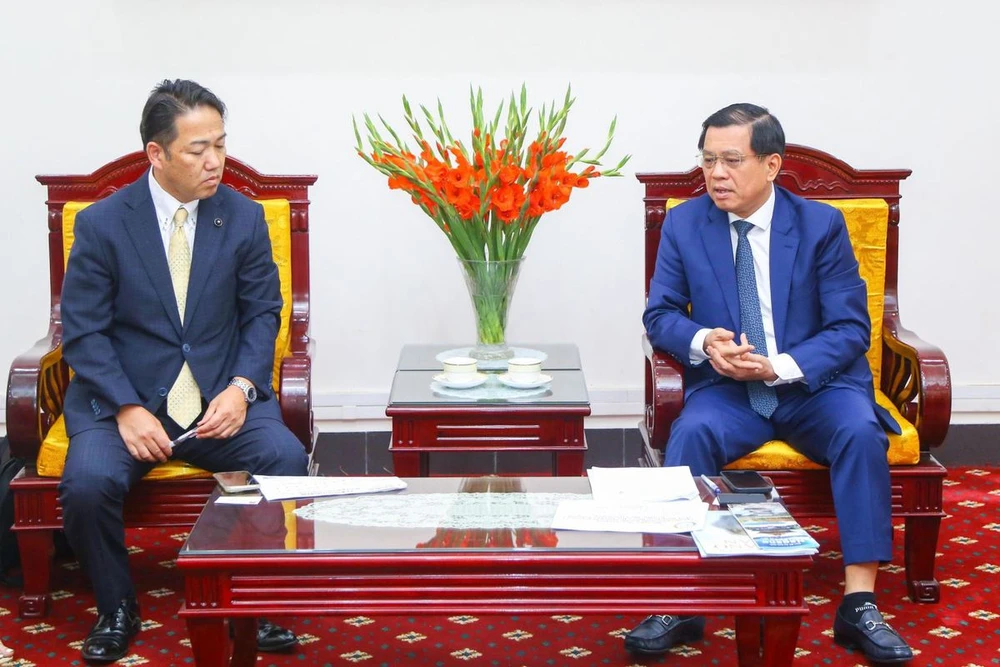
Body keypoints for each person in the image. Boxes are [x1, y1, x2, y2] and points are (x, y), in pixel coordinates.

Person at [628, 103, 912, 664]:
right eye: (708, 160)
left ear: (773, 165)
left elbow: (852, 328)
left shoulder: (819, 225)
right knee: (691, 435)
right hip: (731, 390)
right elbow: (659, 313)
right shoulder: (686, 222)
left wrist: (779, 365)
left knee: (859, 433)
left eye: (731, 160)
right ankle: (682, 596)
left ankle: (859, 604)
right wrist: (706, 340)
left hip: (815, 389)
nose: (716, 174)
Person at [58, 79, 309, 663]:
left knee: (285, 458)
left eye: (221, 144)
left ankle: (256, 601)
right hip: (123, 402)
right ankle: (117, 607)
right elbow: (85, 332)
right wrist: (125, 406)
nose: (215, 161)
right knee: (87, 485)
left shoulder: (243, 219)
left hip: (220, 399)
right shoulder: (102, 224)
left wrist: (244, 389)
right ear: (157, 153)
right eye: (198, 149)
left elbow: (262, 313)